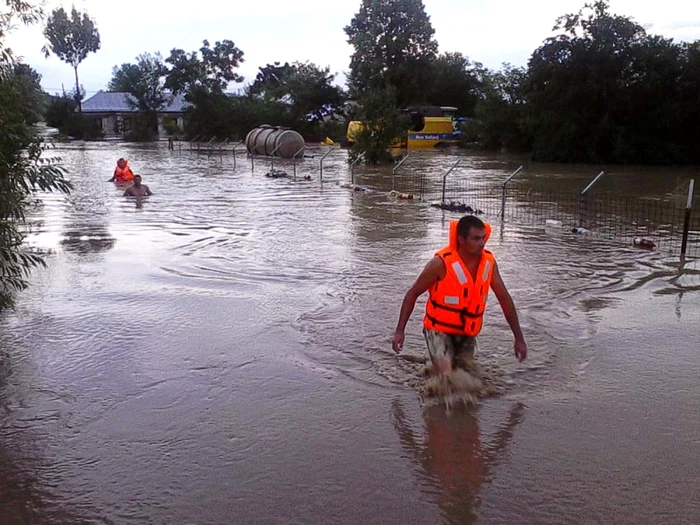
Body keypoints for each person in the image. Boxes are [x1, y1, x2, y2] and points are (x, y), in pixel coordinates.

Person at [392, 215, 527, 374]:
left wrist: (519, 337)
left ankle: (431, 367)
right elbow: (412, 294)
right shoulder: (440, 264)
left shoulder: (489, 264)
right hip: (438, 331)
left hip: (467, 333)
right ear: (461, 239)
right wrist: (400, 331)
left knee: (467, 379)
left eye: (483, 238)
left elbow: (505, 299)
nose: (482, 243)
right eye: (476, 239)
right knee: (447, 380)